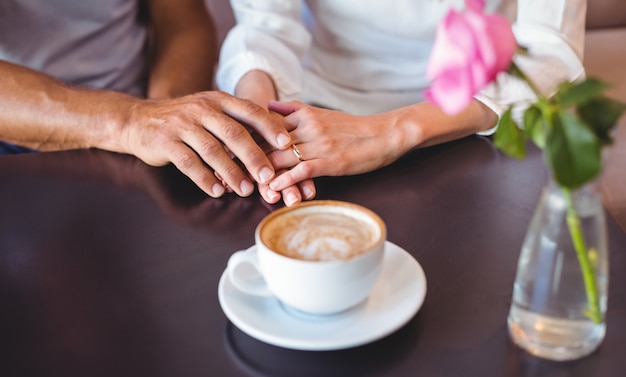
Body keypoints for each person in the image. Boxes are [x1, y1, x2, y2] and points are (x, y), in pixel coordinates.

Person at [217, 0, 586, 201]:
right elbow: (264, 25)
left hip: (482, 117)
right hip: (313, 116)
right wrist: (260, 112)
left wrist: (392, 130)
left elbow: (550, 49)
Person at [0, 0, 313, 204]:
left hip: (146, 111)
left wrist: (167, 120)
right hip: (21, 141)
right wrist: (130, 123)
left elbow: (182, 24)